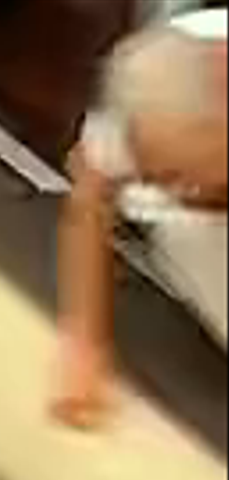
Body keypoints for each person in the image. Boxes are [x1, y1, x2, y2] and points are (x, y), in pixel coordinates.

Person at [55, 12, 229, 416]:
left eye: (186, 179)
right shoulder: (141, 93)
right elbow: (89, 201)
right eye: (162, 176)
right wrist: (83, 341)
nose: (180, 193)